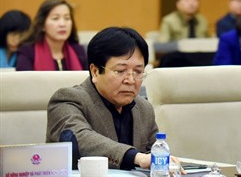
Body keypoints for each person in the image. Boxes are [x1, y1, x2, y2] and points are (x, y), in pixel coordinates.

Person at [47, 27, 182, 170]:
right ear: (95, 72)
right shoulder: (67, 100)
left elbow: (153, 153)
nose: (131, 80)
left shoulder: (144, 108)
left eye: (138, 71)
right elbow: (80, 138)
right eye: (120, 71)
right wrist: (136, 157)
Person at [16, 0, 87, 71]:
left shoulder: (78, 51)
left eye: (67, 18)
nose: (62, 24)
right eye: (55, 18)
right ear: (42, 25)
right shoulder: (28, 51)